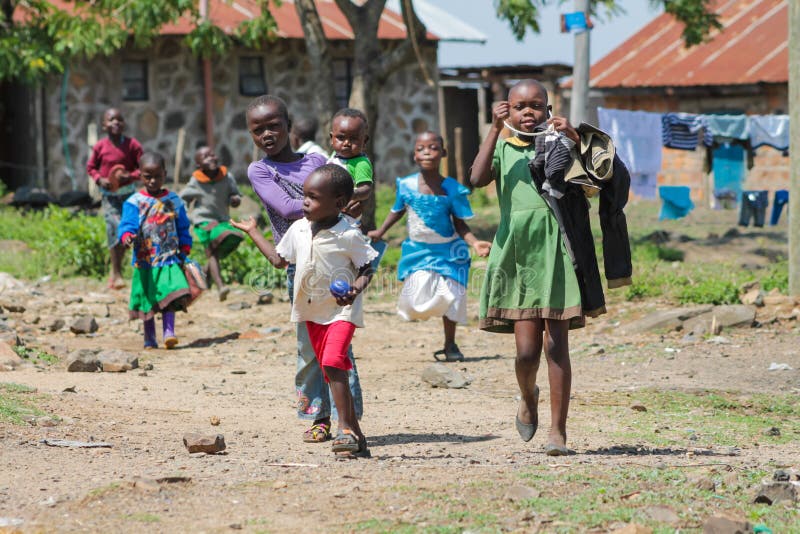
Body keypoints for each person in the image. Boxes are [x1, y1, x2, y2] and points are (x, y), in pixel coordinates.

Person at [469, 79, 582, 456]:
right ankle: (527, 395)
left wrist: (576, 141)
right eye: (520, 107)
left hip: (555, 248)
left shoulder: (560, 145)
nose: (528, 112)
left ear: (549, 110)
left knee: (556, 347)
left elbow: (596, 179)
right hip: (516, 252)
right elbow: (475, 178)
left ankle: (558, 432)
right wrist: (494, 129)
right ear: (508, 109)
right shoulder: (503, 144)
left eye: (536, 106)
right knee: (526, 352)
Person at [232, 164, 376, 457]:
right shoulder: (298, 229)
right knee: (328, 368)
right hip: (311, 313)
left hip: (341, 312)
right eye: (304, 196)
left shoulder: (349, 233)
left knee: (334, 361)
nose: (305, 203)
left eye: (312, 197)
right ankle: (357, 438)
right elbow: (278, 260)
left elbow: (367, 268)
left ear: (337, 203)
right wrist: (253, 232)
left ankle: (345, 429)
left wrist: (354, 290)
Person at [245, 95, 363, 444]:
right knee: (309, 348)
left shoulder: (315, 159)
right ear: (251, 135)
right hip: (300, 269)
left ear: (289, 125)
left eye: (274, 125)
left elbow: (346, 189)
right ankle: (319, 416)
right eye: (258, 129)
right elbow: (285, 205)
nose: (267, 134)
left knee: (340, 346)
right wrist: (331, 202)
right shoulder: (260, 170)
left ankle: (348, 419)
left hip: (337, 263)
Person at [368, 132, 491, 362]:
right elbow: (397, 210)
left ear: (443, 153)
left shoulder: (452, 189)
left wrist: (475, 243)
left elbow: (460, 224)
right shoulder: (405, 185)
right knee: (416, 299)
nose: (427, 152)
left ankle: (450, 343)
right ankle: (436, 315)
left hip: (449, 251)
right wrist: (380, 232)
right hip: (419, 251)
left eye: (433, 147)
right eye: (421, 148)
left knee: (452, 297)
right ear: (414, 155)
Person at [118, 152, 192, 350]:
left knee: (171, 293)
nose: (152, 181)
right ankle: (149, 337)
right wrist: (127, 236)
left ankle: (169, 331)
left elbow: (183, 225)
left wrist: (185, 246)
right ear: (140, 176)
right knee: (147, 298)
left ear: (165, 174)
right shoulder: (134, 202)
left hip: (170, 258)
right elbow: (127, 224)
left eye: (157, 176)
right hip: (145, 261)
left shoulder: (174, 200)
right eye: (147, 176)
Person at [86, 107, 143, 290]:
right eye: (111, 120)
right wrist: (99, 180)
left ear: (124, 124)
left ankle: (118, 270)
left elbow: (143, 168)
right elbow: (91, 167)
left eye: (119, 119)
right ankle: (116, 272)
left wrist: (131, 176)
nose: (115, 123)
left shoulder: (132, 145)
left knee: (128, 232)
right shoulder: (100, 147)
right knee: (115, 228)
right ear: (104, 125)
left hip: (129, 196)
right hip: (110, 198)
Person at [179, 146, 243, 301]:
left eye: (212, 154)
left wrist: (235, 199)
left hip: (222, 220)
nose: (210, 158)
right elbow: (182, 198)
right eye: (205, 157)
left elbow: (236, 194)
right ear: (199, 165)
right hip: (203, 222)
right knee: (213, 250)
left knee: (234, 236)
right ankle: (221, 286)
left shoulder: (227, 176)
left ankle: (205, 276)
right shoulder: (196, 181)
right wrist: (188, 216)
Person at [327, 108, 373, 220]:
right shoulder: (334, 156)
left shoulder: (360, 163)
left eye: (354, 139)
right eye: (340, 138)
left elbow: (366, 189)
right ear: (332, 139)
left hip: (347, 214)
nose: (347, 143)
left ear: (364, 141)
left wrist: (350, 194)